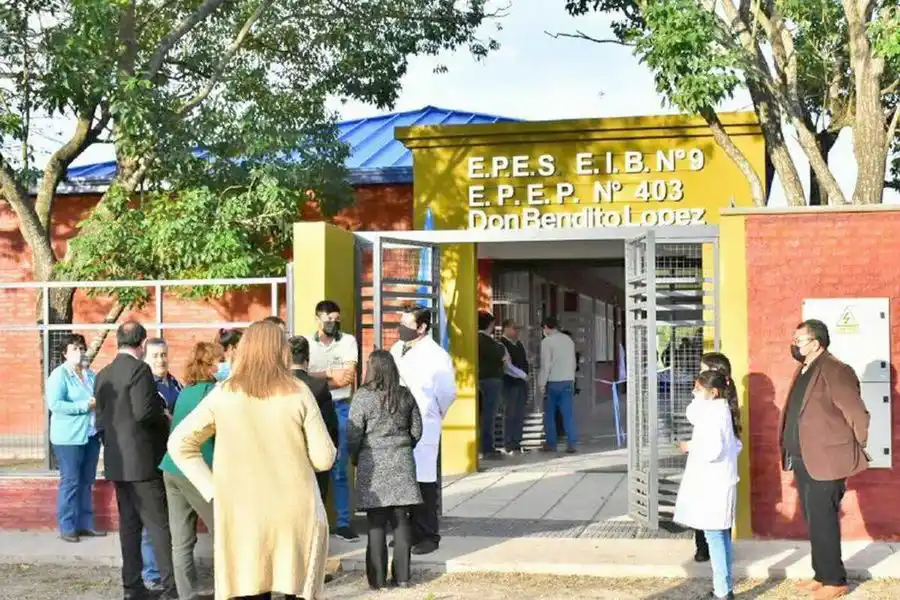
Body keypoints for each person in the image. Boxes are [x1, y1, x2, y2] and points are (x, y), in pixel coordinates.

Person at [168, 320, 336, 600]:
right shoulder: (298, 392)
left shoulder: (224, 393)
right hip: (294, 510)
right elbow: (324, 459)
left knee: (249, 587)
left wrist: (212, 488)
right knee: (295, 584)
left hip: (242, 511)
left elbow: (179, 444)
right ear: (280, 351)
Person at [782, 320, 870, 600]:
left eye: (799, 340)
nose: (794, 345)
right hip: (804, 457)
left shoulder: (835, 369)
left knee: (824, 519)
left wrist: (853, 447)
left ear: (816, 342)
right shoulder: (805, 368)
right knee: (813, 518)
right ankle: (821, 575)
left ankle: (835, 580)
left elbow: (857, 413)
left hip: (827, 458)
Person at [94, 321, 176, 600]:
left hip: (118, 463)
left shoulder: (103, 374)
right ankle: (170, 588)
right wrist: (163, 415)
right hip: (143, 461)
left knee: (129, 527)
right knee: (158, 526)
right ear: (142, 345)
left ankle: (132, 587)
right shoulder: (140, 370)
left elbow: (101, 422)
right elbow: (143, 412)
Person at [347, 350, 423, 590]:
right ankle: (402, 577)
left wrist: (355, 456)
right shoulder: (404, 395)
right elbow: (417, 431)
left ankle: (377, 580)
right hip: (401, 461)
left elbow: (353, 433)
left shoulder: (362, 397)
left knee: (376, 523)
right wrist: (403, 446)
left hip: (373, 462)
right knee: (402, 522)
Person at [389, 305, 456, 555]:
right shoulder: (397, 349)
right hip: (397, 423)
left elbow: (447, 392)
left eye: (408, 325)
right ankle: (407, 532)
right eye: (401, 323)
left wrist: (435, 412)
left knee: (424, 482)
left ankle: (428, 535)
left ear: (422, 327)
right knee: (403, 480)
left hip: (424, 423)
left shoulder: (437, 356)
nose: (402, 329)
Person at [158, 342, 221, 600]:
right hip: (196, 469)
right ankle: (227, 591)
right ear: (209, 364)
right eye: (219, 359)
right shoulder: (213, 393)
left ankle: (186, 594)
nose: (223, 363)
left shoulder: (187, 391)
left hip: (171, 467)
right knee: (224, 533)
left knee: (181, 541)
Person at [674, 370, 743, 600]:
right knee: (720, 537)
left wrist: (690, 447)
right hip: (719, 483)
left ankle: (722, 592)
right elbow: (694, 415)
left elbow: (712, 450)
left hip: (713, 486)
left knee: (715, 538)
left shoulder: (714, 415)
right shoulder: (719, 410)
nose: (695, 392)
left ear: (712, 392)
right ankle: (724, 588)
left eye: (699, 389)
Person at [307, 299, 359, 542]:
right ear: (318, 318)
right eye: (328, 320)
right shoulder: (306, 343)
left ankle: (343, 523)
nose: (332, 324)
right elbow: (298, 375)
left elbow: (347, 378)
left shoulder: (347, 341)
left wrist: (316, 378)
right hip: (312, 407)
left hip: (340, 407)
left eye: (336, 320)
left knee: (339, 467)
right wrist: (329, 374)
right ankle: (313, 523)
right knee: (311, 466)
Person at [47, 333, 104, 543]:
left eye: (81, 348)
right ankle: (67, 526)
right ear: (65, 353)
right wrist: (83, 406)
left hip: (90, 435)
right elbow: (55, 405)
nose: (78, 353)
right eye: (73, 349)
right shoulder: (59, 375)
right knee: (70, 481)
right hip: (68, 438)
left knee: (86, 481)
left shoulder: (90, 375)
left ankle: (86, 524)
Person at [142, 338, 183, 590]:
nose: (161, 360)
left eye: (164, 354)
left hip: (174, 458)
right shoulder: (145, 386)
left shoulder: (175, 383)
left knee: (169, 518)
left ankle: (168, 569)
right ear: (146, 357)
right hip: (153, 460)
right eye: (156, 355)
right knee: (152, 520)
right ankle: (152, 572)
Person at [692, 352, 737, 564]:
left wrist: (691, 446)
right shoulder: (708, 397)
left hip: (714, 468)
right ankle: (703, 548)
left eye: (703, 370)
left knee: (716, 515)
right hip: (712, 468)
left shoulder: (718, 404)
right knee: (707, 510)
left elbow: (717, 446)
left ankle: (718, 557)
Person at [289, 335, 339, 505]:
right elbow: (330, 425)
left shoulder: (275, 386)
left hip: (284, 457)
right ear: (307, 360)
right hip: (314, 457)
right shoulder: (319, 386)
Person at [538, 316, 578, 453]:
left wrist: (542, 383)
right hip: (567, 381)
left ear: (546, 327)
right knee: (567, 413)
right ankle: (571, 442)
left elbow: (545, 365)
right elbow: (573, 362)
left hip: (553, 382)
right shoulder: (568, 340)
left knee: (550, 414)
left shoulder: (546, 342)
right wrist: (572, 379)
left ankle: (551, 443)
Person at [477, 310, 506, 460]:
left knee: (484, 414)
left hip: (480, 379)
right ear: (491, 324)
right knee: (489, 414)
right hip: (490, 381)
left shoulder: (476, 339)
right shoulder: (486, 341)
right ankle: (487, 447)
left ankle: (484, 446)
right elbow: (500, 354)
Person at [499, 319, 529, 454]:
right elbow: (507, 366)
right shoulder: (501, 344)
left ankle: (517, 441)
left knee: (519, 413)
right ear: (505, 329)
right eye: (514, 328)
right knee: (510, 414)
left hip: (521, 383)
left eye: (517, 329)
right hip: (509, 383)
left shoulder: (519, 344)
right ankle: (509, 442)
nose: (516, 332)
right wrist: (523, 375)